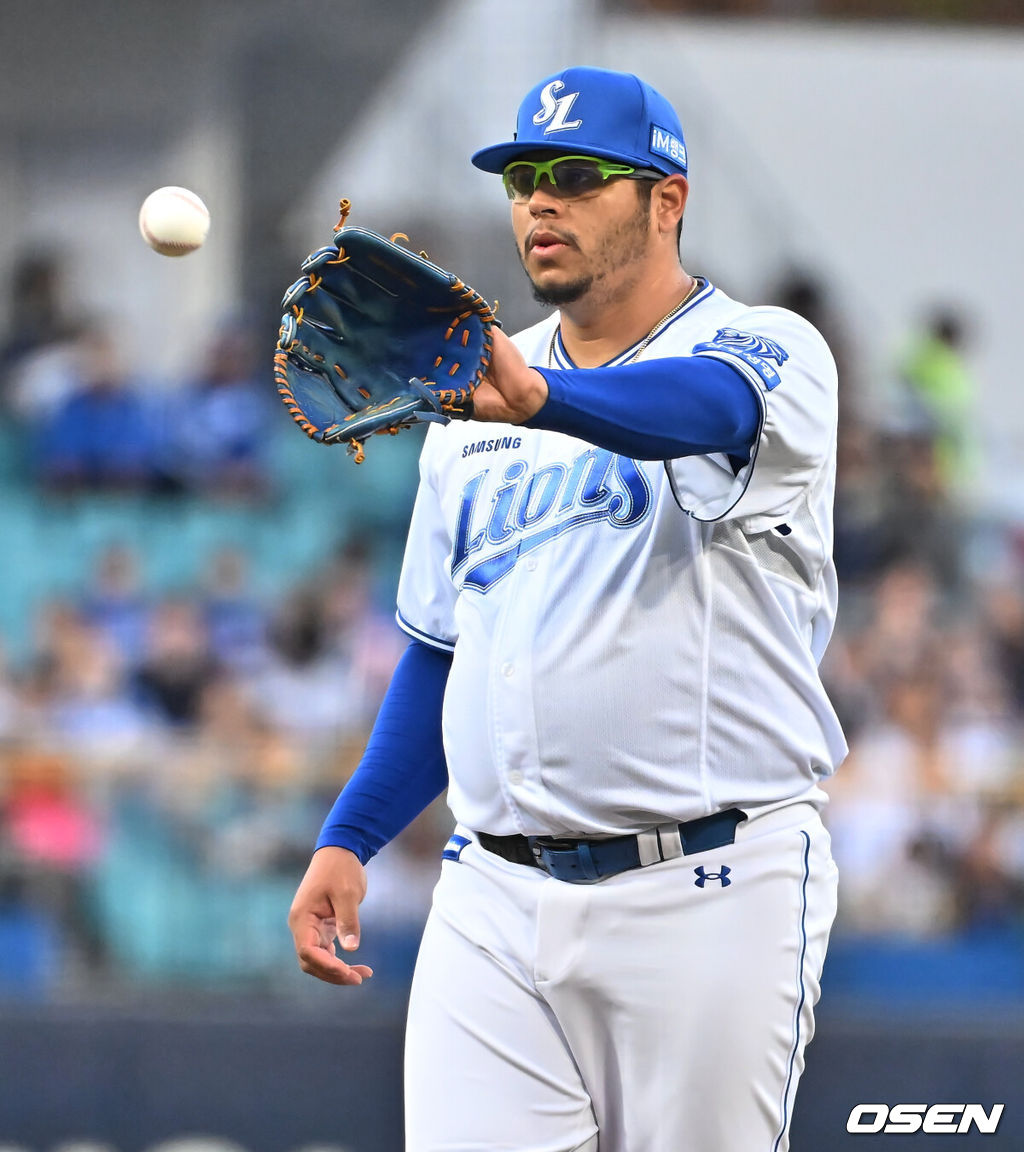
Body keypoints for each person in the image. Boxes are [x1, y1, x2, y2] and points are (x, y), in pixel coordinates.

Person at [288, 65, 847, 1152]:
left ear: (665, 199)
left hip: (708, 887)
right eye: (523, 177)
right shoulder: (472, 402)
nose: (539, 201)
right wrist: (351, 835)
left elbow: (709, 407)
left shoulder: (767, 349)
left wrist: (546, 401)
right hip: (491, 898)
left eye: (578, 177)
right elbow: (441, 648)